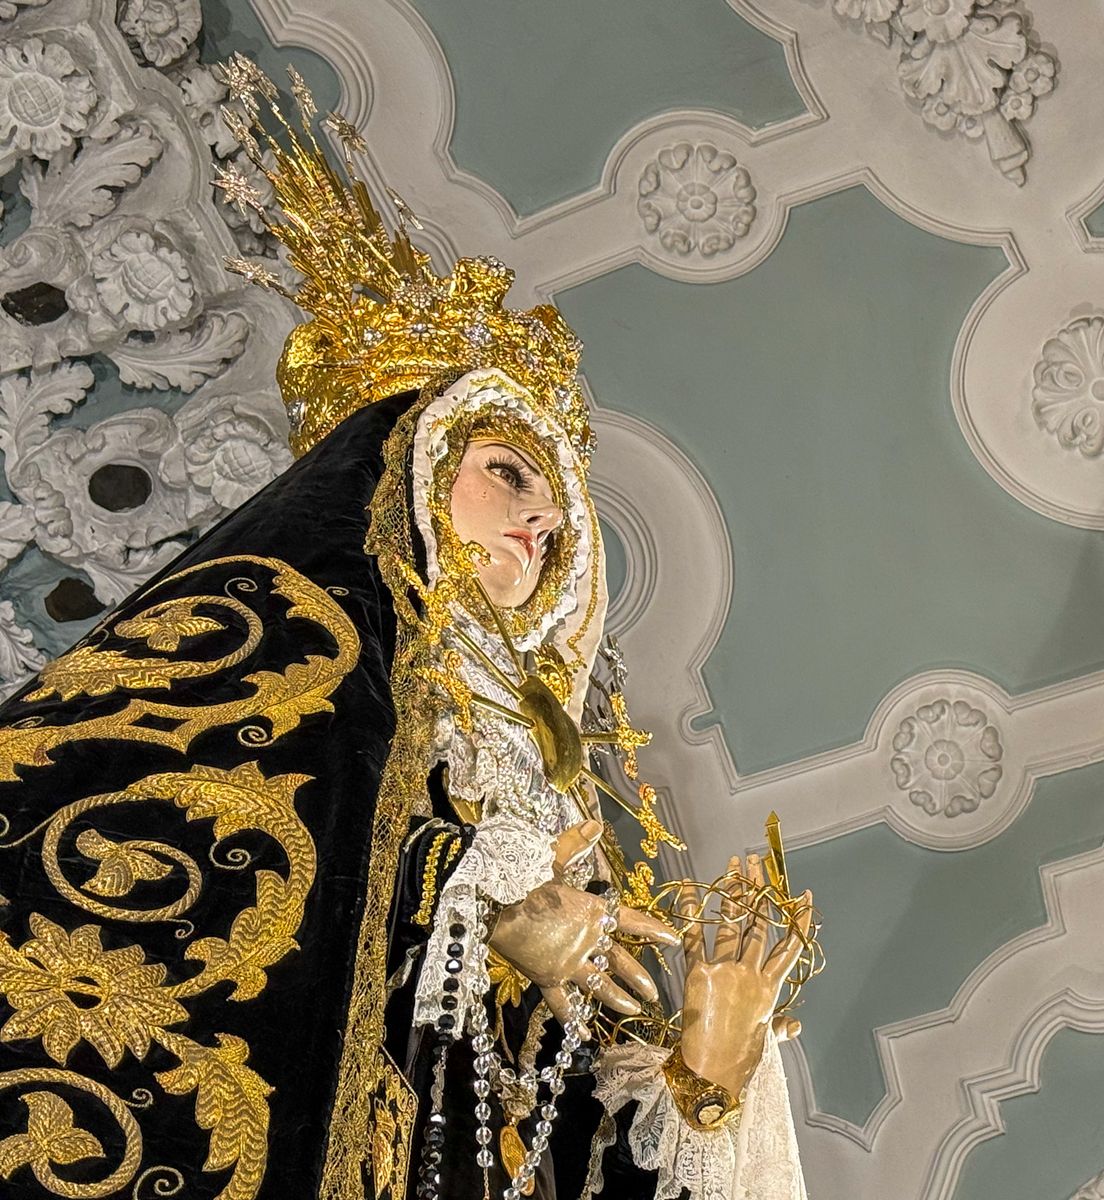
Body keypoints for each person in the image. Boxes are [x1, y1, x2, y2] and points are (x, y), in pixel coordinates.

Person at [0, 58, 814, 1200]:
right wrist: (466, 895)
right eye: (508, 473)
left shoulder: (553, 818)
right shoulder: (270, 644)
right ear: (410, 475)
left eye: (561, 512)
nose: (543, 519)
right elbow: (114, 841)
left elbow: (533, 1145)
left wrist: (705, 1084)